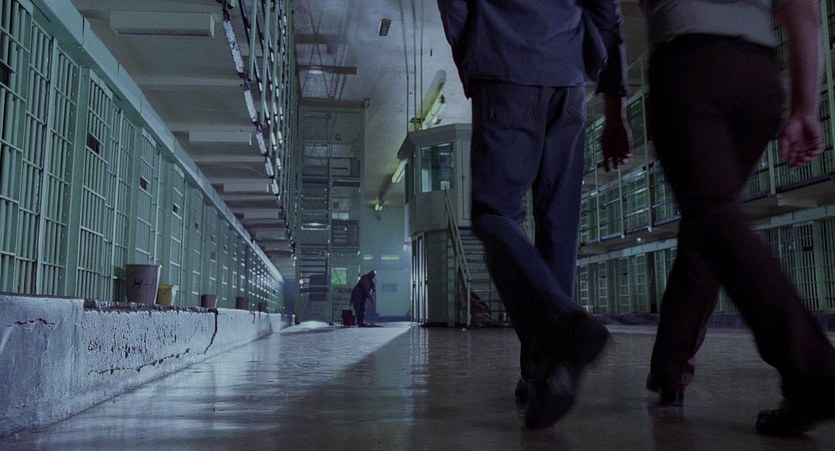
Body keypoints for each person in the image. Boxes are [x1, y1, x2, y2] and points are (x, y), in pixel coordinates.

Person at [641, 0, 835, 436]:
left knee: (713, 217)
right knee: (712, 223)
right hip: (759, 78)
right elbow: (803, 14)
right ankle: (670, 365)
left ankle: (813, 369)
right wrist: (805, 107)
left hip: (689, 64)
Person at [437, 0, 633, 430]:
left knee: (494, 215)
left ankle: (565, 324)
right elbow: (606, 8)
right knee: (559, 227)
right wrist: (611, 97)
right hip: (569, 78)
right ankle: (547, 374)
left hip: (505, 66)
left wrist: (474, 58)